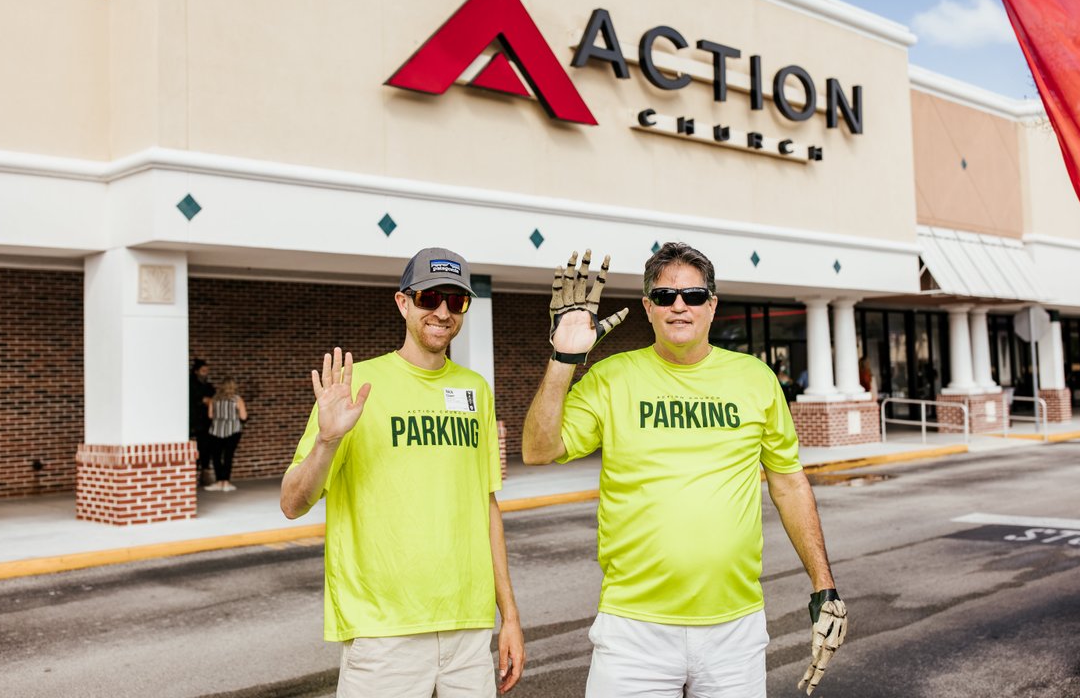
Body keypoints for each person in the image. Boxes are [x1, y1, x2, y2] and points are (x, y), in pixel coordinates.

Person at [522, 243, 847, 697]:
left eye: (694, 296)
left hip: (735, 630)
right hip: (633, 631)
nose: (679, 305)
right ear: (647, 308)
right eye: (664, 296)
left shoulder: (756, 379)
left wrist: (824, 588)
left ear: (712, 306)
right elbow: (538, 450)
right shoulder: (612, 377)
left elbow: (790, 485)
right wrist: (564, 358)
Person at [280, 247, 525, 697]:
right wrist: (327, 440)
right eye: (430, 297)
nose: (443, 312)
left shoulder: (475, 390)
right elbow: (292, 503)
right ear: (403, 302)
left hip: (468, 629)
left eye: (456, 300)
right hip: (383, 632)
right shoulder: (354, 390)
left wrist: (508, 615)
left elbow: (486, 504)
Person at [206, 378, 248, 492]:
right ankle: (226, 483)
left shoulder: (214, 399)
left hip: (215, 431)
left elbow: (210, 415)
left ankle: (219, 482)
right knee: (228, 457)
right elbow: (244, 416)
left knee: (216, 457)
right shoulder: (237, 399)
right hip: (232, 431)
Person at [188, 358, 214, 484]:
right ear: (196, 371)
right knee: (195, 450)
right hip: (193, 423)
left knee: (206, 449)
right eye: (203, 370)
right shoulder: (190, 385)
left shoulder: (208, 386)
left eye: (207, 371)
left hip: (206, 423)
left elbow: (212, 400)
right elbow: (205, 400)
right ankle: (192, 477)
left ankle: (204, 476)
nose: (206, 373)